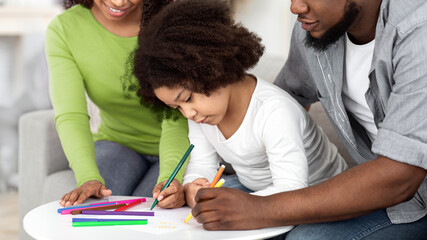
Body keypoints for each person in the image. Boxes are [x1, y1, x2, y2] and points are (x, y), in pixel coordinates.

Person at [191, 0, 427, 239]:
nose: (296, 8)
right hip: (376, 185)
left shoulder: (419, 32)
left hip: (413, 194)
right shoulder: (315, 28)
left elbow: (400, 177)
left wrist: (262, 208)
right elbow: (284, 100)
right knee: (205, 207)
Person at [132, 0, 348, 211]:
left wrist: (233, 204)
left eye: (187, 99)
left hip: (315, 195)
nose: (188, 113)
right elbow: (201, 165)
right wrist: (193, 188)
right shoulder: (202, 114)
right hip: (258, 191)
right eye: (176, 107)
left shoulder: (274, 112)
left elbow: (290, 189)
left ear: (213, 68)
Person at [46, 0, 189, 209]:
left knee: (147, 218)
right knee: (95, 211)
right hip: (117, 141)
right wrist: (88, 177)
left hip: (182, 144)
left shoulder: (173, 22)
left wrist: (170, 176)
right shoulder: (65, 29)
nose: (119, 2)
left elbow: (176, 115)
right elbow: (71, 115)